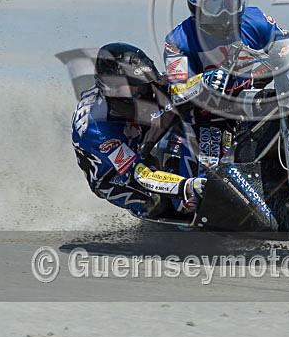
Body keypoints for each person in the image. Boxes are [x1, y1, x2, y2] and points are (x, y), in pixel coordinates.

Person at [71, 43, 206, 216]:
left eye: (145, 84)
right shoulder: (99, 131)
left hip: (134, 137)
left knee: (182, 104)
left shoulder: (142, 88)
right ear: (116, 93)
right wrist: (185, 187)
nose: (146, 92)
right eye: (136, 88)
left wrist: (209, 79)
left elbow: (175, 87)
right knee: (156, 203)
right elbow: (141, 175)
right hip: (111, 175)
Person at [163, 0, 288, 109]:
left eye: (230, 5)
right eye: (214, 5)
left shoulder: (257, 20)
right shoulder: (177, 41)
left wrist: (269, 64)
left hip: (250, 101)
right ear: (194, 4)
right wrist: (202, 82)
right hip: (207, 114)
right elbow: (176, 92)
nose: (225, 14)